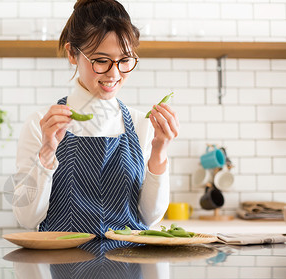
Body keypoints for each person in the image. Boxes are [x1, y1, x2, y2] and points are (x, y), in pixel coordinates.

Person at [11, 0, 179, 238]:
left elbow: (149, 217)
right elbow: (27, 219)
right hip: (61, 268)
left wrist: (159, 151)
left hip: (130, 265)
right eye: (101, 60)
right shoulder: (41, 125)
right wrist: (48, 151)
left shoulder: (142, 124)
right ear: (72, 53)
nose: (114, 73)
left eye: (125, 60)